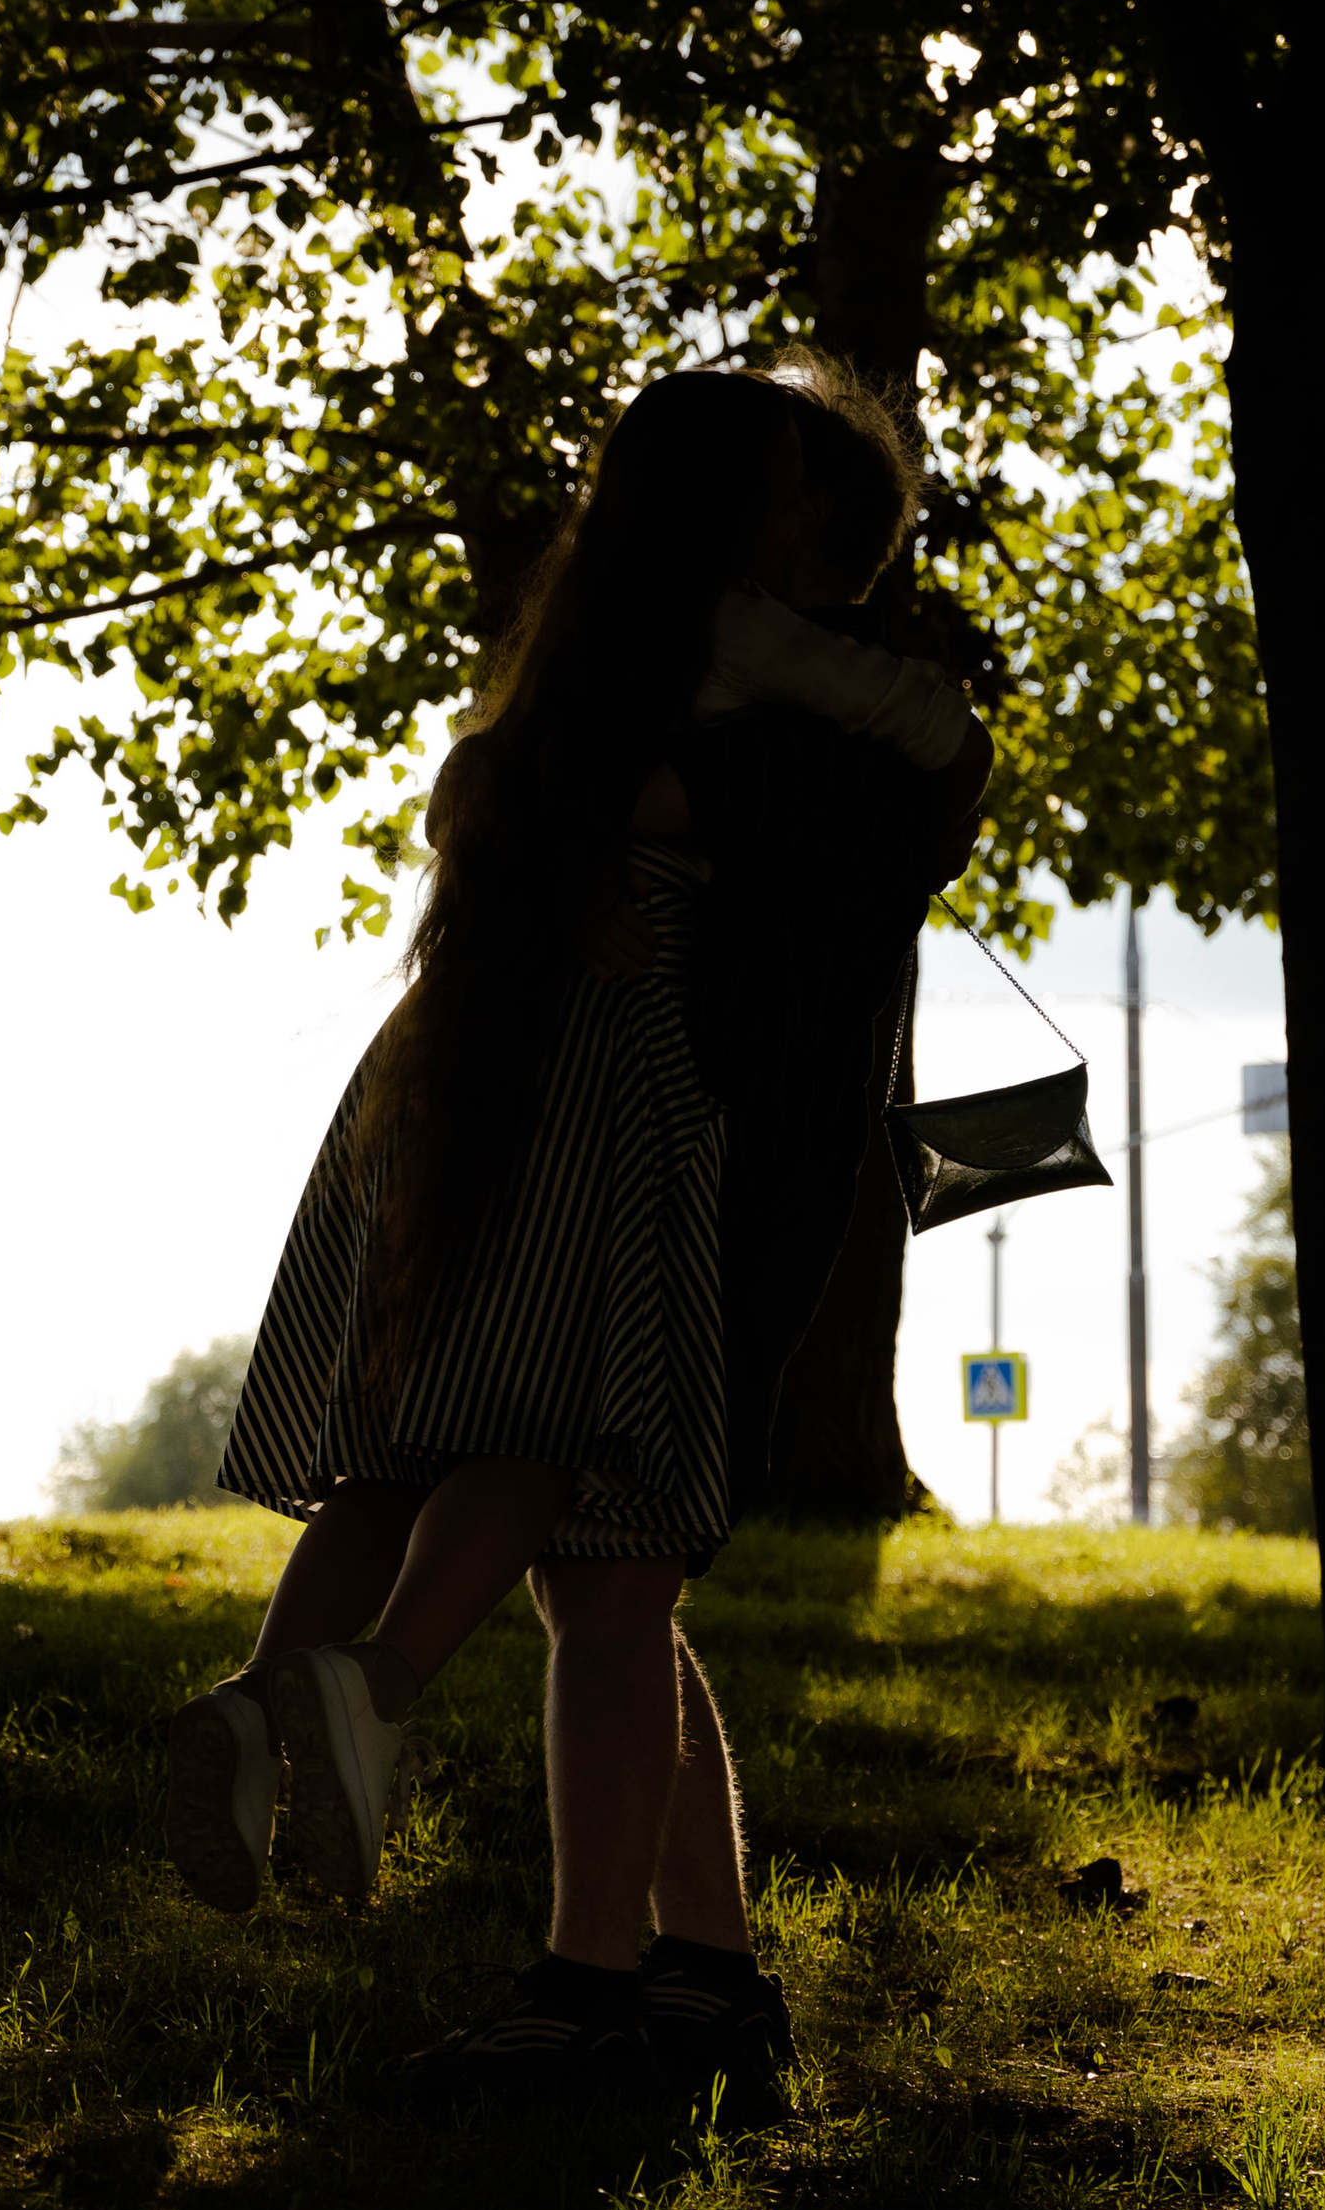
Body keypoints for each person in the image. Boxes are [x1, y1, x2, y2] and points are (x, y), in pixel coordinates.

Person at [163, 362, 990, 2111]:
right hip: (653, 1135)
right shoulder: (737, 694)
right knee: (606, 1569)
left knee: (599, 1571)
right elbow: (541, 805)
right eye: (794, 506)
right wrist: (552, 828)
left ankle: (638, 1981)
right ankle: (651, 1988)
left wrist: (545, 821)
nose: (816, 540)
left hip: (631, 1130)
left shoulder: (659, 709)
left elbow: (562, 805)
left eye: (828, 513)